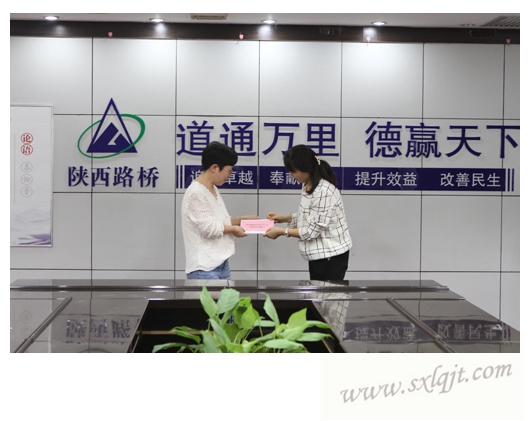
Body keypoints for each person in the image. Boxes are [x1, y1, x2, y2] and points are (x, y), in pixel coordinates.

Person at [263, 144, 352, 281]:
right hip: (319, 255)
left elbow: (311, 231)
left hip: (330, 256)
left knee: (328, 294)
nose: (291, 174)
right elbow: (309, 217)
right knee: (317, 292)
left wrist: (281, 232)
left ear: (306, 168)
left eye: (293, 171)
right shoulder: (308, 184)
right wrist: (284, 218)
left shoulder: (323, 191)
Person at [182, 141, 259, 281]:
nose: (230, 175)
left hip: (220, 264)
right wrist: (235, 229)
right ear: (215, 168)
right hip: (204, 267)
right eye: (229, 170)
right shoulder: (196, 193)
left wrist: (241, 220)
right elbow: (209, 228)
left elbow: (219, 221)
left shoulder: (212, 188)